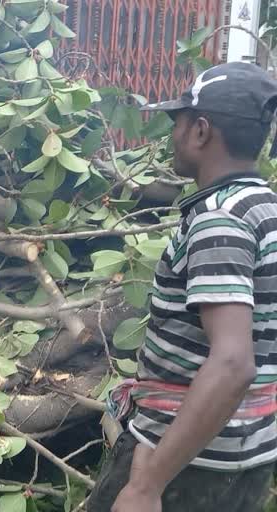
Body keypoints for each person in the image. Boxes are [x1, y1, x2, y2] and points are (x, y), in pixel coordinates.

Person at [88, 62, 277, 512]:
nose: (171, 135)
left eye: (179, 123)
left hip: (185, 463)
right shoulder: (265, 208)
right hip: (245, 454)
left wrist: (146, 485)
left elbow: (233, 363)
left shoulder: (220, 219)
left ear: (201, 131)